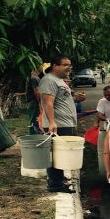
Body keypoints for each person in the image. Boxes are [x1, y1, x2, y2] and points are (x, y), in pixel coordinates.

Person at [39, 56, 86, 193]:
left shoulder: (59, 80)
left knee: (61, 154)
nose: (69, 67)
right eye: (65, 65)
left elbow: (62, 99)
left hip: (66, 123)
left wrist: (76, 98)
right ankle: (55, 184)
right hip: (58, 125)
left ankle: (59, 180)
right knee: (56, 155)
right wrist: (52, 122)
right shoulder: (48, 80)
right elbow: (48, 103)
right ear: (54, 65)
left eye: (70, 65)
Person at [26, 69, 41, 134]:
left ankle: (33, 135)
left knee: (33, 119)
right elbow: (36, 91)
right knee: (34, 120)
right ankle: (34, 136)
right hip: (34, 102)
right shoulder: (34, 78)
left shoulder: (31, 78)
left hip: (32, 102)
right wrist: (40, 102)